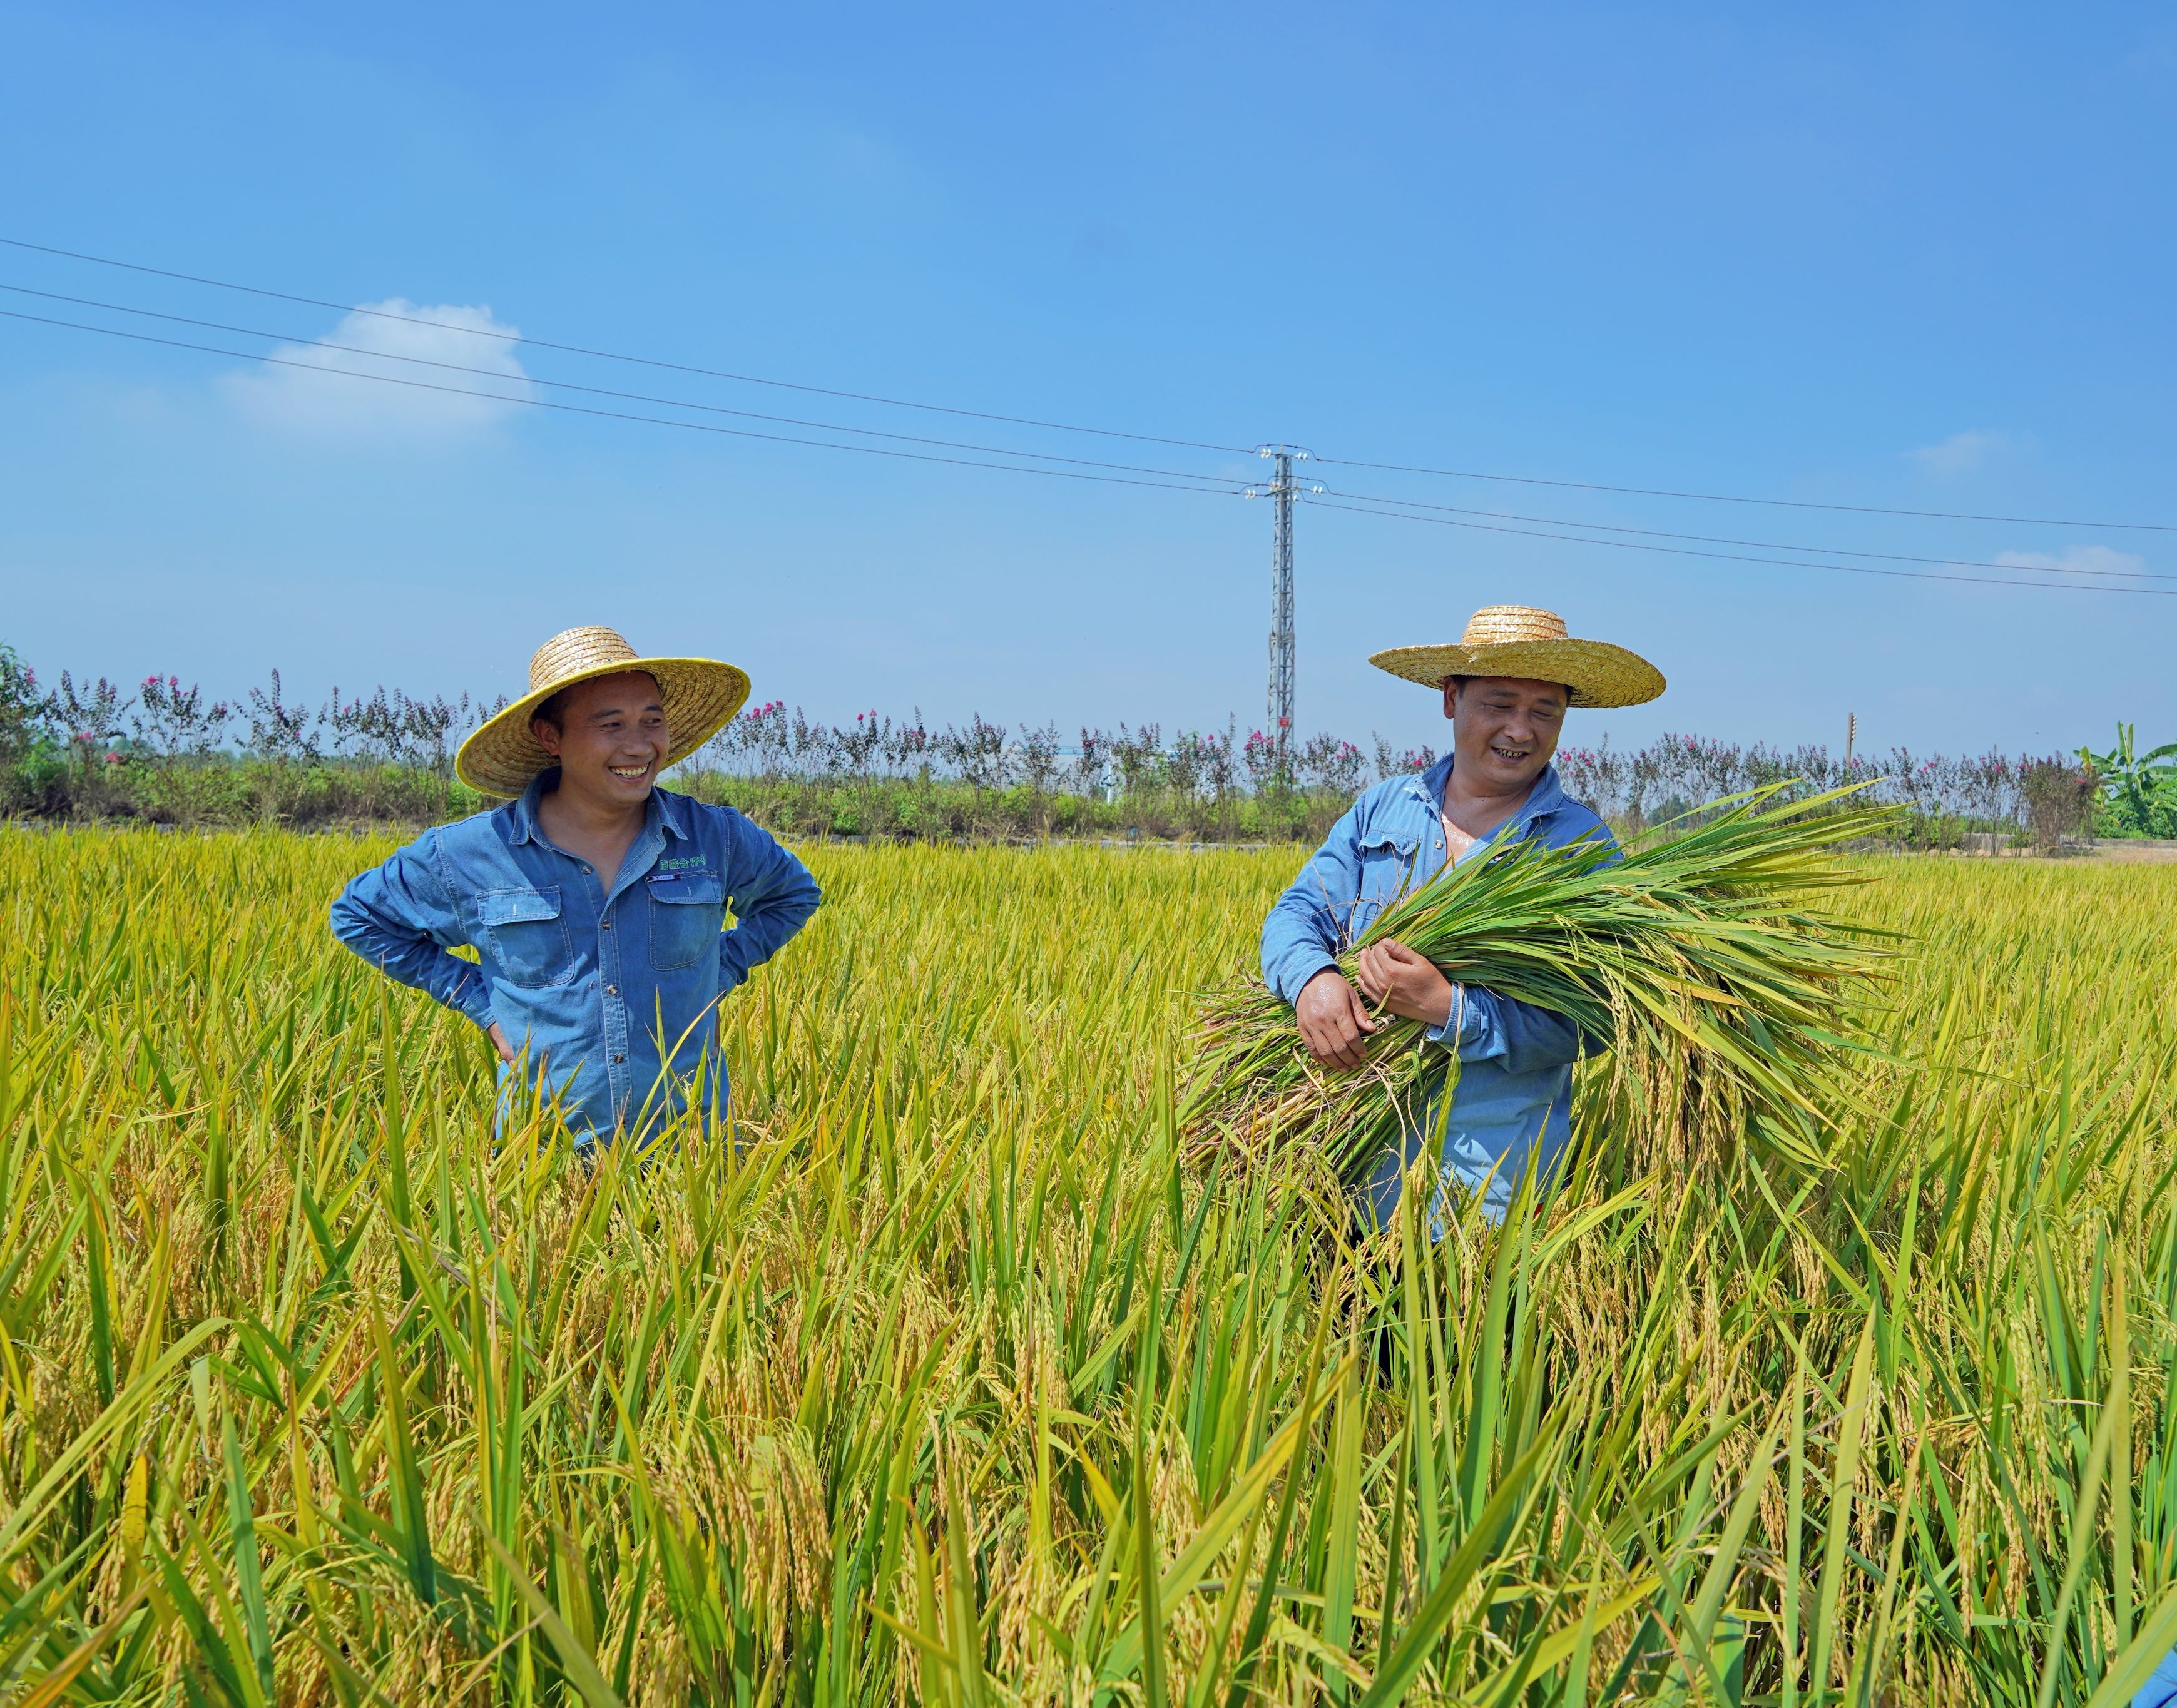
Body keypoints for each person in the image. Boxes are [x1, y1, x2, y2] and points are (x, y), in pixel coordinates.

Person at [330, 625, 820, 1147]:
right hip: (545, 1154)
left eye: (651, 721)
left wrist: (715, 973)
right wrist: (481, 1004)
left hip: (691, 1151)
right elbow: (360, 918)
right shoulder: (471, 853)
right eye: (611, 724)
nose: (639, 744)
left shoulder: (713, 835)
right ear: (550, 738)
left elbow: (792, 896)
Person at [1259, 604, 1665, 1227]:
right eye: (1497, 705)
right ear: (1451, 698)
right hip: (1337, 1159)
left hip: (1484, 1185)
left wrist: (1450, 1010)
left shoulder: (1577, 848)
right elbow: (1296, 914)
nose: (1519, 730)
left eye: (1543, 712)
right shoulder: (1382, 810)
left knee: (1472, 1327)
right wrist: (1312, 981)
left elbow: (1595, 1017)